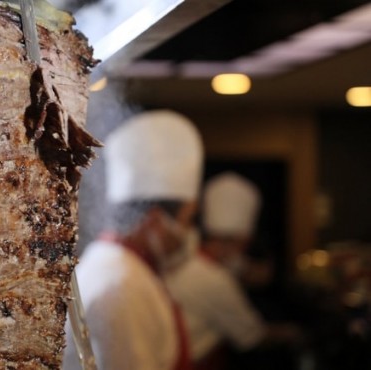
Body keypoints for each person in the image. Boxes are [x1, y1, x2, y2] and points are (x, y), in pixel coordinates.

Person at [63, 110, 203, 370]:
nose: (188, 233)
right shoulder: (122, 285)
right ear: (156, 221)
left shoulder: (116, 265)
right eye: (187, 219)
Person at [165, 172, 300, 370]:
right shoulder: (216, 279)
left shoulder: (187, 258)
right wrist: (293, 334)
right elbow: (253, 337)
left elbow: (250, 272)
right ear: (236, 242)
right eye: (244, 245)